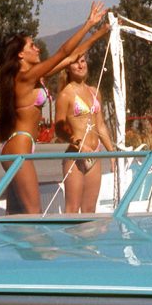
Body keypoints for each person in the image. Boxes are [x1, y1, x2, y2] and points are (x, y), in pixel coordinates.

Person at [0, 1, 109, 213]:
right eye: (32, 46)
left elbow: (72, 56)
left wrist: (100, 32)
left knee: (18, 217)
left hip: (21, 146)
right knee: (33, 213)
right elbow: (63, 52)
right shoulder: (25, 77)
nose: (37, 48)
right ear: (20, 55)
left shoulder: (35, 76)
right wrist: (87, 24)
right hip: (18, 148)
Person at [55, 53, 116, 213]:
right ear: (67, 68)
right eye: (76, 63)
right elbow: (58, 129)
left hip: (95, 154)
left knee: (90, 210)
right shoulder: (65, 95)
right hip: (75, 156)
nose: (81, 65)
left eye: (83, 61)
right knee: (72, 209)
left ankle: (89, 233)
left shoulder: (94, 91)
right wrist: (78, 143)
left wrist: (112, 154)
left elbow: (100, 125)